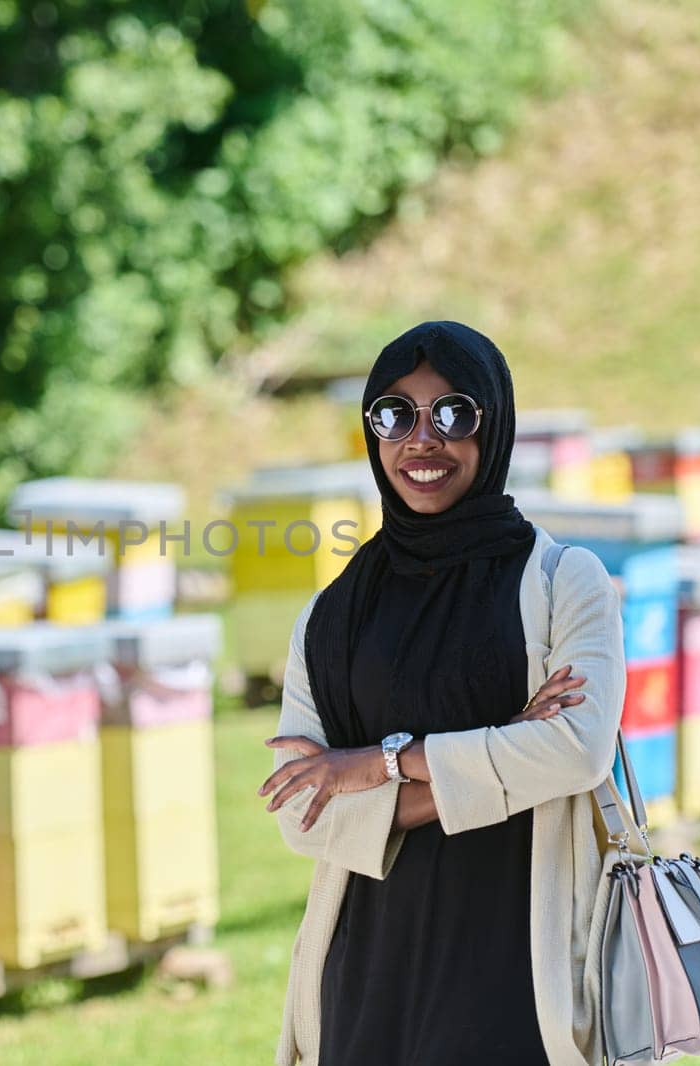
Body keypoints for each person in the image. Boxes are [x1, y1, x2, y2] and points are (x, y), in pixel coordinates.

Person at [258, 320, 628, 1066]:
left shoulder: (563, 583)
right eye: (394, 415)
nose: (421, 439)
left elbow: (576, 753)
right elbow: (301, 812)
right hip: (366, 967)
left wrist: (376, 765)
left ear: (493, 426)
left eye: (453, 413)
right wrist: (505, 744)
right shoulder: (332, 616)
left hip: (517, 964)